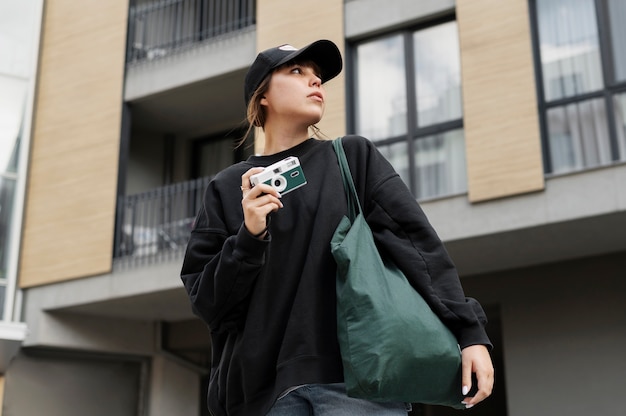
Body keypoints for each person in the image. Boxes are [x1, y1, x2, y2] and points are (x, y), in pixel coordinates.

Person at [181, 39, 494, 416]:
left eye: (318, 77)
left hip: (357, 384)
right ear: (261, 96)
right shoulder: (228, 187)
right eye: (297, 72)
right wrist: (249, 238)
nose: (315, 82)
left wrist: (469, 332)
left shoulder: (352, 159)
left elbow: (420, 248)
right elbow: (209, 303)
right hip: (263, 395)